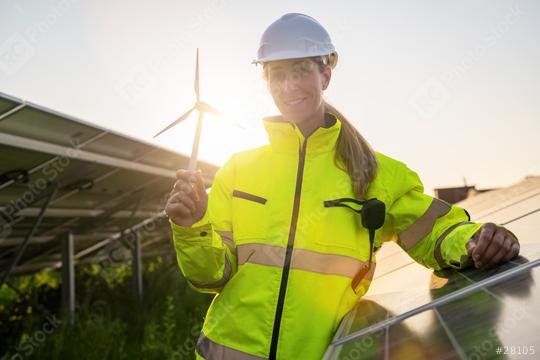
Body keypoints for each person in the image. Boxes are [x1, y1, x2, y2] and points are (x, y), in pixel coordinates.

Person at [166, 13, 520, 360]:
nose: (289, 86)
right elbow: (212, 275)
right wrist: (191, 226)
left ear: (326, 74)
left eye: (301, 70)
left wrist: (475, 241)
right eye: (278, 74)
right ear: (267, 81)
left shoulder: (376, 174)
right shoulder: (238, 169)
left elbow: (435, 233)